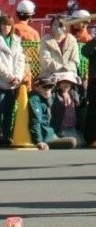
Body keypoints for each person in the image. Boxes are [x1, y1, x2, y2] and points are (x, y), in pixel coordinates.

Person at [28, 76, 78, 150]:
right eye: (45, 87)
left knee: (80, 140)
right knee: (73, 142)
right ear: (37, 87)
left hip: (52, 133)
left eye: (50, 87)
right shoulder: (35, 99)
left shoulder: (51, 97)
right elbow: (36, 120)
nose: (48, 90)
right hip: (44, 137)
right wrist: (39, 141)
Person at [0, 14, 27, 147]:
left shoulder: (16, 39)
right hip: (2, 81)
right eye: (3, 24)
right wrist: (9, 77)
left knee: (9, 112)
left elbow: (20, 61)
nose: (6, 27)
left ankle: (6, 136)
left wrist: (17, 76)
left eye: (8, 25)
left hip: (13, 84)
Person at [50, 73, 83, 142]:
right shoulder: (55, 95)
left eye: (68, 82)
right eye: (63, 82)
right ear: (59, 84)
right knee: (72, 141)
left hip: (72, 128)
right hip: (60, 129)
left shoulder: (74, 95)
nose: (66, 84)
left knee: (81, 140)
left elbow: (82, 91)